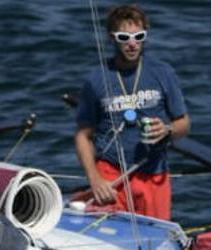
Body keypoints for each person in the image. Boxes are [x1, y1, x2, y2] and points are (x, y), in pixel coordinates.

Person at [75, 4, 190, 221]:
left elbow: (183, 123)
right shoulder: (96, 79)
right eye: (123, 38)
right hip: (110, 174)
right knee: (110, 239)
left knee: (155, 239)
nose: (132, 44)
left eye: (139, 36)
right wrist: (95, 179)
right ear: (111, 38)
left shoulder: (163, 73)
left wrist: (167, 129)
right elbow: (83, 135)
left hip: (153, 172)